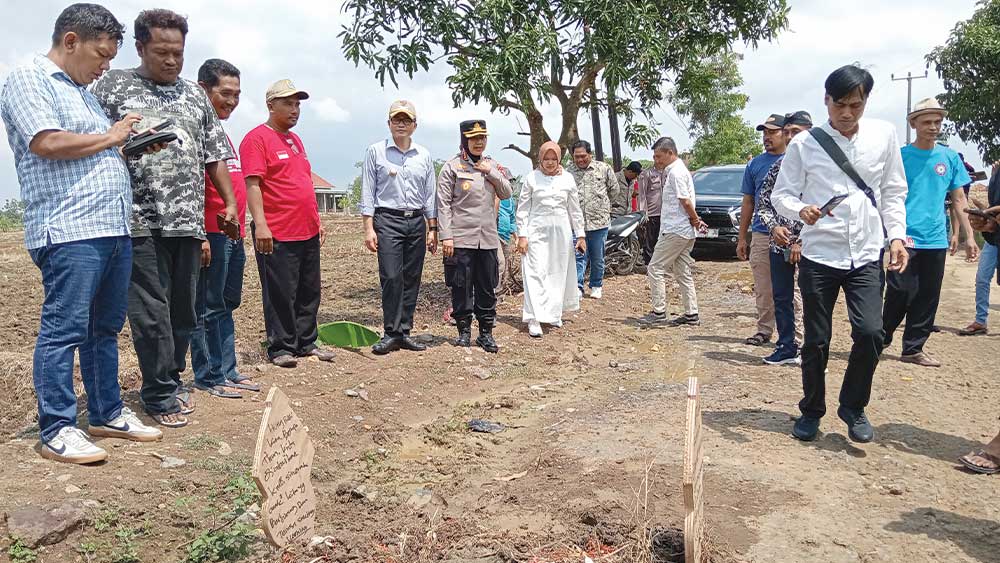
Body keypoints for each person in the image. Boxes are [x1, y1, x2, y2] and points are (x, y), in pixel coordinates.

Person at [0, 3, 163, 463]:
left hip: (111, 225)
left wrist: (128, 143)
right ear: (71, 41)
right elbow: (45, 141)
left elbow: (95, 147)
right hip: (69, 228)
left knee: (105, 328)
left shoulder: (82, 91)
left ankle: (107, 412)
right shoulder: (28, 78)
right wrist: (111, 138)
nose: (104, 68)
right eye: (100, 56)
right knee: (64, 330)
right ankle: (56, 426)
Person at [92, 9, 239, 428]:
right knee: (150, 311)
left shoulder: (194, 96)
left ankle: (171, 379)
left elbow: (215, 154)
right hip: (138, 220)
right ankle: (157, 393)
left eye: (178, 53)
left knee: (183, 311)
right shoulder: (113, 85)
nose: (172, 61)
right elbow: (96, 142)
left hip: (187, 222)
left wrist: (227, 202)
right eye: (162, 52)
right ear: (140, 48)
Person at [772, 65, 909, 444]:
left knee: (870, 333)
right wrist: (802, 211)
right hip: (820, 254)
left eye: (856, 105)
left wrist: (896, 236)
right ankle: (812, 410)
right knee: (816, 340)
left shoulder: (884, 135)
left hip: (865, 253)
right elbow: (781, 195)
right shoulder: (803, 144)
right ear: (826, 101)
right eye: (840, 105)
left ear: (865, 102)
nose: (847, 114)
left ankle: (853, 406)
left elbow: (894, 191)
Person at [240, 79, 334, 369]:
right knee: (281, 291)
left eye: (297, 105)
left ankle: (306, 342)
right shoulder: (256, 138)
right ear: (271, 105)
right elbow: (253, 185)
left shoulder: (295, 140)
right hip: (277, 230)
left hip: (305, 228)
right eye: (288, 104)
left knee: (309, 289)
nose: (295, 110)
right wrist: (261, 225)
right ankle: (281, 346)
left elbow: (304, 182)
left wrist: (317, 220)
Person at [882, 98, 976, 367]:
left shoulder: (949, 158)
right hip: (904, 236)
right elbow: (887, 195)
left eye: (937, 122)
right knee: (900, 291)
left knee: (927, 295)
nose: (933, 127)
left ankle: (913, 348)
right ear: (913, 124)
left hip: (935, 237)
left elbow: (959, 199)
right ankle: (882, 336)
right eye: (927, 122)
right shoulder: (900, 156)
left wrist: (969, 236)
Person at [187, 59, 258, 397]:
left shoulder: (221, 134)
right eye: (225, 93)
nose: (231, 101)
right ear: (204, 90)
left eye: (237, 95)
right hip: (211, 232)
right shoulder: (194, 133)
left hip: (234, 232)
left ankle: (228, 368)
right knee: (207, 305)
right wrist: (199, 233)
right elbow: (188, 189)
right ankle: (208, 374)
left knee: (227, 302)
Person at [361, 100, 438, 354]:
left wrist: (432, 227)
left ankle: (405, 331)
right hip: (388, 220)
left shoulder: (424, 155)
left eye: (406, 120)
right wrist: (368, 227)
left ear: (415, 125)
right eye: (397, 119)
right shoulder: (376, 151)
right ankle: (390, 332)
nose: (401, 124)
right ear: (389, 123)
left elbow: (429, 195)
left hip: (416, 221)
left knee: (411, 277)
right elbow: (368, 192)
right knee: (392, 276)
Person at [437, 120, 513, 352]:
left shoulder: (492, 165)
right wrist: (446, 236)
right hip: (460, 238)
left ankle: (486, 333)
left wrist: (491, 173)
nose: (479, 142)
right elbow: (443, 204)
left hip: (488, 238)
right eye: (474, 138)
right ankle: (463, 332)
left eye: (483, 138)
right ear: (464, 140)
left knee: (486, 286)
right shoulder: (452, 167)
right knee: (461, 285)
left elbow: (507, 192)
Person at [756, 110, 811, 365]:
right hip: (779, 246)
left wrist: (801, 240)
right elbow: (764, 204)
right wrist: (774, 228)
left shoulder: (821, 168)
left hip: (813, 247)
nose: (790, 138)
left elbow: (829, 207)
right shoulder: (778, 167)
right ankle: (787, 346)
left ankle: (811, 350)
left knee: (813, 298)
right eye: (787, 132)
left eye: (795, 132)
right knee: (782, 297)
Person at [517, 141, 586, 337]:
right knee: (535, 272)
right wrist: (522, 235)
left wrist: (580, 235)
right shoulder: (531, 179)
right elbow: (522, 210)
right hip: (536, 231)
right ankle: (533, 317)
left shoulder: (568, 179)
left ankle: (553, 313)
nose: (549, 163)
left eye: (553, 159)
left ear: (559, 159)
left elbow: (574, 209)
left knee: (557, 273)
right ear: (540, 159)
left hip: (561, 232)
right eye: (545, 159)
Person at [641, 137, 708, 326]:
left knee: (655, 267)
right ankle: (691, 314)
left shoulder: (676, 173)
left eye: (659, 156)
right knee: (682, 271)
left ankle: (659, 312)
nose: (656, 161)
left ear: (670, 153)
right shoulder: (677, 171)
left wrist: (695, 219)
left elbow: (685, 200)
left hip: (675, 230)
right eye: (654, 157)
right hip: (683, 230)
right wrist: (694, 221)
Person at [737, 114, 788, 346]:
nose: (766, 137)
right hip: (761, 233)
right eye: (764, 133)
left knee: (792, 289)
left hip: (791, 235)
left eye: (772, 132)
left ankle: (793, 336)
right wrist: (742, 237)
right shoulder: (755, 164)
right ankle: (764, 330)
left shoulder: (796, 160)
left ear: (785, 133)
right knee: (763, 287)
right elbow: (748, 202)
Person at [567, 140, 617, 299]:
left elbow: (614, 190)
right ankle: (578, 287)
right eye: (577, 157)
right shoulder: (568, 173)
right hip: (576, 223)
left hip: (598, 222)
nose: (580, 159)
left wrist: (601, 206)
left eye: (583, 156)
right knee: (578, 256)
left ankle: (596, 285)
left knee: (597, 256)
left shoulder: (603, 169)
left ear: (590, 154)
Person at [960, 161, 1000, 336]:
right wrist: (987, 217)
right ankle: (980, 320)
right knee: (982, 277)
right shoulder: (997, 171)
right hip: (994, 236)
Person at [637, 154, 665, 265]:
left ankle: (659, 262)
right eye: (657, 157)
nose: (659, 160)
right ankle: (649, 262)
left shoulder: (667, 173)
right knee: (650, 239)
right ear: (654, 158)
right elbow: (642, 194)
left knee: (661, 240)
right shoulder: (647, 174)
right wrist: (644, 212)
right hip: (652, 213)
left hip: (664, 213)